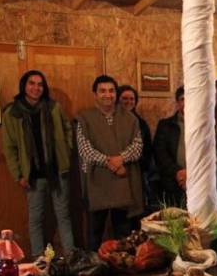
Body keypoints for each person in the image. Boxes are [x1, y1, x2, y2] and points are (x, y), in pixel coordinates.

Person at [1, 70, 75, 256]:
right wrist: (18, 174)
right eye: (31, 83)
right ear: (24, 86)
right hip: (32, 176)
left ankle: (71, 256)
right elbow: (9, 147)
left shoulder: (53, 107)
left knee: (63, 216)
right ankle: (38, 261)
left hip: (57, 171)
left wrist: (66, 151)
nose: (36, 88)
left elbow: (68, 127)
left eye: (40, 84)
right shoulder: (13, 112)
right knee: (35, 219)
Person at [76, 75, 143, 251]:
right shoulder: (85, 118)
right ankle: (94, 270)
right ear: (95, 94)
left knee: (123, 233)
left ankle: (123, 271)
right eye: (103, 91)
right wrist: (110, 163)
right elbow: (85, 150)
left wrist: (121, 159)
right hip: (97, 183)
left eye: (111, 90)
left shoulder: (130, 118)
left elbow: (137, 147)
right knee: (94, 233)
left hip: (123, 184)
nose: (108, 95)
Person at [117, 85, 158, 215]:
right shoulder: (112, 121)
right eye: (124, 99)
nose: (128, 102)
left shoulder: (141, 123)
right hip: (116, 172)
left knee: (137, 212)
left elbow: (146, 150)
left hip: (138, 173)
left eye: (131, 99)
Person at [153, 86, 187, 207]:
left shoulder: (204, 125)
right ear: (178, 103)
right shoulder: (165, 125)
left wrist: (192, 174)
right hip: (172, 181)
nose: (187, 102)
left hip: (198, 180)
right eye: (183, 99)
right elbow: (159, 152)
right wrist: (178, 172)